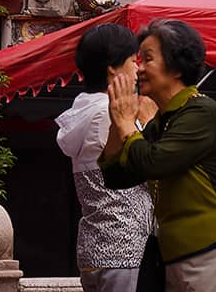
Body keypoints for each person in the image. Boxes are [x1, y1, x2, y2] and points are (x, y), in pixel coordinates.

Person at [101, 20, 216, 291]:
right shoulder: (163, 120)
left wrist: (127, 122)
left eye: (148, 59)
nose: (138, 68)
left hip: (215, 247)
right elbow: (116, 176)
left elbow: (153, 162)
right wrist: (118, 117)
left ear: (176, 66)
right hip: (176, 252)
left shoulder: (201, 111)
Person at [56, 25, 153, 292]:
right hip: (125, 245)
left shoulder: (82, 111)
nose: (138, 71)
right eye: (133, 62)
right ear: (113, 68)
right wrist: (148, 121)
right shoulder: (106, 114)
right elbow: (148, 164)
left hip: (95, 244)